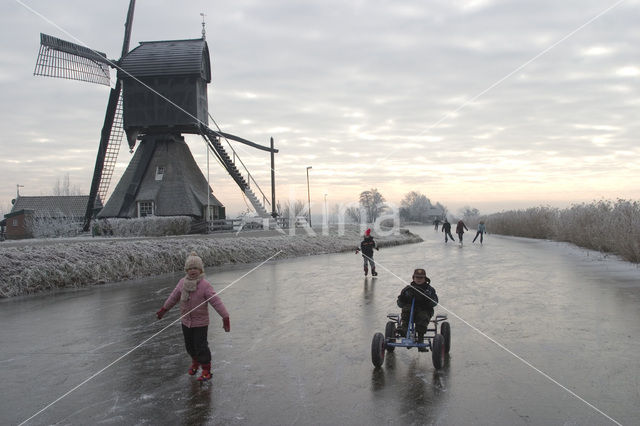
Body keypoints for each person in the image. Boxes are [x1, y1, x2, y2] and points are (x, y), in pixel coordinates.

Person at [156, 251, 230, 382]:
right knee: (189, 346)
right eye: (190, 268)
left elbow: (216, 301)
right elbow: (173, 297)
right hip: (186, 322)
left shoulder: (205, 285)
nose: (192, 271)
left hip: (200, 323)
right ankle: (195, 363)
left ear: (200, 269)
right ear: (186, 270)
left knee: (201, 346)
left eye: (195, 268)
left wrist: (225, 317)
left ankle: (206, 370)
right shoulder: (182, 283)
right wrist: (164, 309)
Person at [396, 268, 438, 352]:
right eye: (417, 277)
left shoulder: (429, 290)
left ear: (425, 279)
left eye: (421, 278)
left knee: (422, 316)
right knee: (406, 309)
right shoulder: (407, 289)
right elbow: (400, 304)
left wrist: (428, 298)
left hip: (425, 309)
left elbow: (435, 302)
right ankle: (404, 329)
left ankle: (420, 339)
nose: (419, 279)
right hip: (411, 309)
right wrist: (402, 298)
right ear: (413, 278)